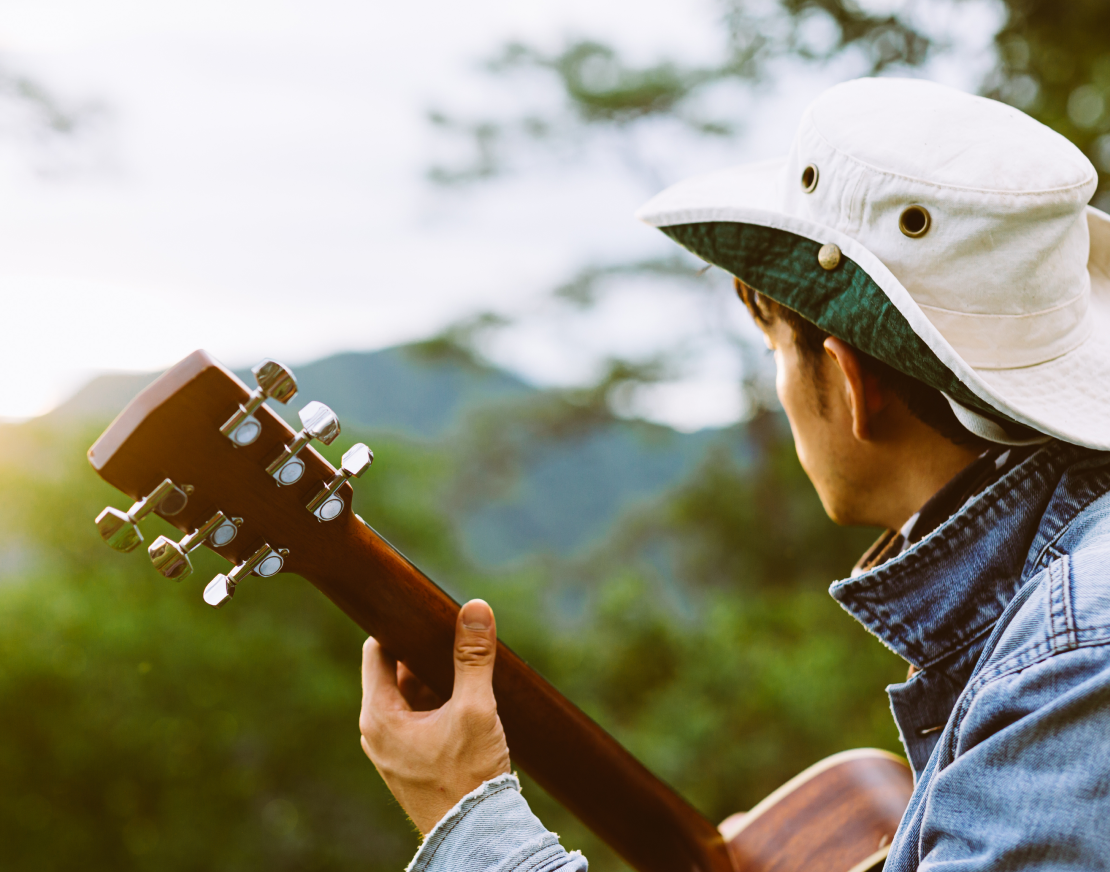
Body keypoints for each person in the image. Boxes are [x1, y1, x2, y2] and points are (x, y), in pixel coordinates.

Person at [358, 77, 1110, 870]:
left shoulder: (1074, 658)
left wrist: (467, 814)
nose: (781, 388)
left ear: (851, 383)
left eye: (775, 350)